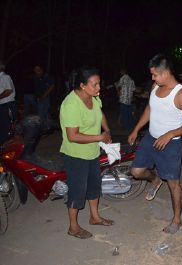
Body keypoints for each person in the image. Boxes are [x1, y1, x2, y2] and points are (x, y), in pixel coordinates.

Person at [128, 54, 182, 234]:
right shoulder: (155, 86)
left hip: (171, 144)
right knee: (136, 171)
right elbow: (150, 108)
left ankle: (176, 220)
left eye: (155, 74)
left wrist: (171, 134)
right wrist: (136, 129)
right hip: (151, 138)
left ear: (165, 73)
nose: (152, 78)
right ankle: (155, 180)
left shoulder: (180, 94)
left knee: (174, 183)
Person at [59, 67, 113, 239]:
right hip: (75, 155)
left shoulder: (94, 97)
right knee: (77, 190)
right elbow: (72, 136)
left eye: (99, 83)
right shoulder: (71, 104)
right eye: (94, 84)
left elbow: (100, 113)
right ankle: (73, 227)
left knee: (94, 186)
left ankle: (94, 217)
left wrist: (107, 130)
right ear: (82, 85)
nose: (99, 88)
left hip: (92, 152)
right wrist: (100, 136)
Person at [0, 61, 17, 145]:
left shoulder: (5, 77)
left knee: (7, 125)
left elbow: (8, 91)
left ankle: (6, 144)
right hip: (2, 104)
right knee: (3, 125)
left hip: (7, 104)